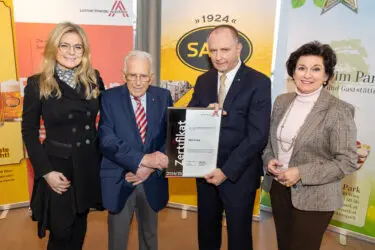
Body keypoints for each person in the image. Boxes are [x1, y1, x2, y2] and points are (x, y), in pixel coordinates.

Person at [262, 41, 358, 250]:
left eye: (316, 69)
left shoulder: (338, 111)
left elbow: (347, 162)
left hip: (316, 197)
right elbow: (270, 144)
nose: (307, 75)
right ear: (293, 72)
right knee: (284, 245)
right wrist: (269, 160)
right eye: (301, 68)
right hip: (279, 189)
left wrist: (301, 172)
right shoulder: (281, 101)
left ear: (326, 76)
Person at [22, 22, 105, 250]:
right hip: (58, 168)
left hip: (87, 164)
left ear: (84, 51)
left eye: (77, 47)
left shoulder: (93, 79)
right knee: (60, 233)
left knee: (80, 227)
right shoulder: (37, 83)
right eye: (65, 45)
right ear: (53, 48)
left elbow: (108, 118)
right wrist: (46, 172)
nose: (71, 52)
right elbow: (28, 131)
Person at [188, 24, 271, 250]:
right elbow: (188, 120)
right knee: (206, 233)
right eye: (213, 51)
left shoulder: (259, 82)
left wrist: (226, 171)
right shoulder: (203, 80)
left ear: (238, 49)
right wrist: (204, 112)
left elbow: (258, 135)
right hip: (205, 171)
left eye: (224, 50)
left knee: (239, 237)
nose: (218, 57)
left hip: (238, 175)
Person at [99, 50, 173, 250]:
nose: (138, 82)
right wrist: (142, 161)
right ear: (124, 75)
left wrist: (149, 167)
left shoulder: (164, 96)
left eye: (143, 76)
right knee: (118, 239)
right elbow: (107, 140)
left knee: (150, 237)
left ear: (151, 77)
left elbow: (171, 136)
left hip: (152, 179)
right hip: (120, 178)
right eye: (133, 76)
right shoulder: (109, 98)